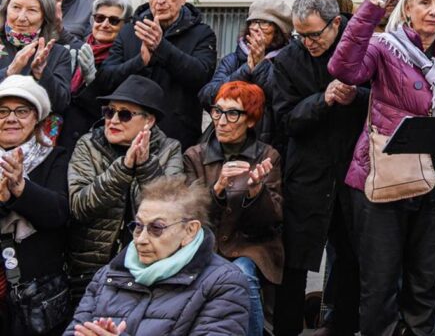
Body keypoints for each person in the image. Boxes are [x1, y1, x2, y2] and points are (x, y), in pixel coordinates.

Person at [326, 0, 435, 336]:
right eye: (424, 3)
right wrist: (369, 11)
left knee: (425, 286)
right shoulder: (383, 47)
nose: (433, 11)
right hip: (384, 182)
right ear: (407, 10)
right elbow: (343, 69)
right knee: (380, 287)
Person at [271, 0, 366, 336]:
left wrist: (356, 95)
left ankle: (340, 326)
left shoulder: (361, 48)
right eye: (301, 35)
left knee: (350, 260)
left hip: (352, 173)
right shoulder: (286, 61)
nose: (308, 42)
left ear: (336, 24)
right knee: (294, 263)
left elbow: (381, 101)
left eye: (314, 34)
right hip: (307, 175)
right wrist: (321, 100)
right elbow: (285, 120)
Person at [66, 177, 250, 336]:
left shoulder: (224, 283)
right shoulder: (108, 275)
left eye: (156, 228)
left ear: (189, 231)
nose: (141, 240)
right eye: (138, 226)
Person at [67, 75, 184, 300]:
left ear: (149, 121)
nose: (113, 120)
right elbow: (79, 206)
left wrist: (145, 165)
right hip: (89, 269)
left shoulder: (170, 149)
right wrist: (123, 168)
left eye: (125, 114)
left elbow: (171, 210)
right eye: (109, 111)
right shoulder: (88, 144)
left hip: (148, 270)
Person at [184, 81, 282, 336]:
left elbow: (273, 219)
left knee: (241, 275)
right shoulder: (195, 155)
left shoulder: (267, 156)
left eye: (232, 113)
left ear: (250, 120)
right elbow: (188, 214)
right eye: (217, 111)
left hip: (251, 246)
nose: (222, 121)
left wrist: (255, 192)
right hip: (207, 244)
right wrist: (217, 188)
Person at [99, 0, 217, 149]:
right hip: (126, 137)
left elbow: (200, 76)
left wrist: (161, 47)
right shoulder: (130, 31)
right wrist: (140, 62)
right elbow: (106, 79)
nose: (160, 0)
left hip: (177, 139)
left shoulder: (202, 33)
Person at [0, 76, 71, 336]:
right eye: (2, 111)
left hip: (37, 294)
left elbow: (58, 214)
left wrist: (20, 188)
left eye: (22, 111)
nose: (11, 119)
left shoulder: (54, 157)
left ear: (36, 119)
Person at [199, 0, 292, 145]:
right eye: (253, 22)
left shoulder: (290, 60)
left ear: (279, 30)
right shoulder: (233, 60)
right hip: (228, 144)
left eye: (264, 23)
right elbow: (207, 96)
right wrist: (246, 70)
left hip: (272, 145)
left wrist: (260, 65)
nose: (255, 28)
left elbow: (283, 99)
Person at [60, 0, 132, 152]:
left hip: (95, 144)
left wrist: (92, 82)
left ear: (125, 25)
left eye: (113, 20)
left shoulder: (125, 58)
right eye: (99, 18)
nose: (104, 25)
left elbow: (114, 111)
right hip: (62, 136)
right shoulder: (77, 49)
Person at [0, 0, 74, 115]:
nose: (21, 17)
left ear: (44, 16)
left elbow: (61, 104)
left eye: (32, 10)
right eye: (16, 7)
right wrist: (9, 71)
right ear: (6, 9)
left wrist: (42, 73)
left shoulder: (58, 53)